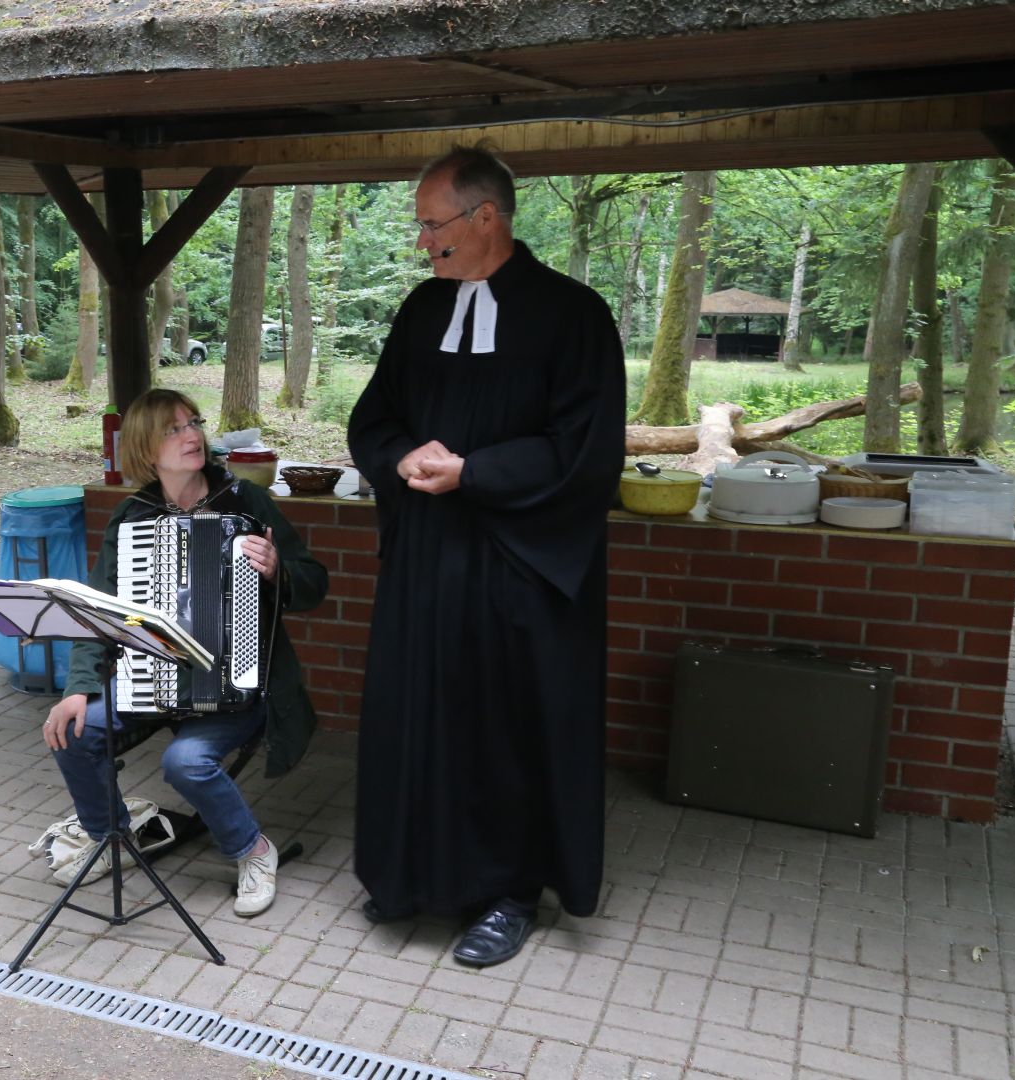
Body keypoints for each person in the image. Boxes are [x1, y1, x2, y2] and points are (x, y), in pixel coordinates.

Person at [347, 146, 625, 967]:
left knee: (504, 733)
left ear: (486, 218)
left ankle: (508, 894)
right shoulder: (421, 311)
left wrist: (474, 473)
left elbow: (586, 451)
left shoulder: (572, 315)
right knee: (417, 717)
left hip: (517, 569)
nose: (422, 241)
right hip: (427, 563)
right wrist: (400, 460)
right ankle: (406, 877)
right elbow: (376, 416)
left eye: (432, 224)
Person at [42, 388, 329, 918]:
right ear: (146, 448)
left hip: (238, 687)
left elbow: (313, 582)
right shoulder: (133, 516)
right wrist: (79, 689)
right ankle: (115, 839)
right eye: (173, 429)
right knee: (72, 730)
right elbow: (99, 612)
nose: (191, 435)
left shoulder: (245, 501)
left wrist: (277, 570)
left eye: (193, 423)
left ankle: (253, 851)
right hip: (151, 681)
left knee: (186, 762)